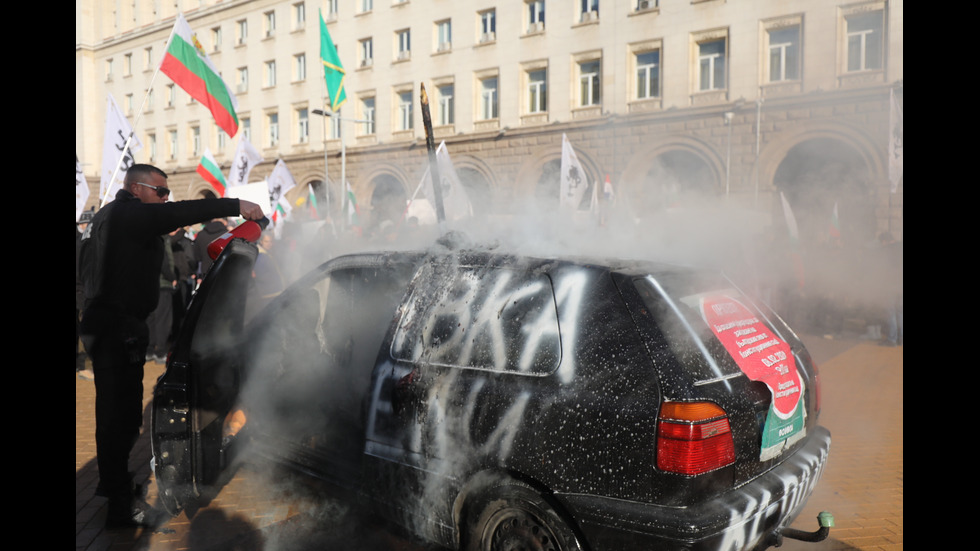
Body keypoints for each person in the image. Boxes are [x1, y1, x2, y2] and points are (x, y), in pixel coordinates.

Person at [79, 164, 263, 528]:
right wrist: (235, 204)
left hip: (112, 326)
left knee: (119, 415)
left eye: (166, 194)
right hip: (117, 328)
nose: (166, 199)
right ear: (136, 188)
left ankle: (113, 485)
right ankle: (119, 503)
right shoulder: (127, 214)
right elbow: (178, 214)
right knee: (119, 418)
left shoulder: (109, 217)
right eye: (160, 192)